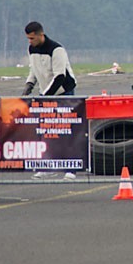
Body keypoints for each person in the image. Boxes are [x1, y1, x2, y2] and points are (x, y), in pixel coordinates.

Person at [22, 21, 78, 180]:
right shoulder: (31, 49)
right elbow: (34, 69)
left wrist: (45, 96)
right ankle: (47, 166)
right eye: (28, 38)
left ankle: (71, 169)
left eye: (32, 38)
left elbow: (60, 76)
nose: (30, 42)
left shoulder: (57, 50)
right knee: (46, 132)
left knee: (66, 131)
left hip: (63, 93)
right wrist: (29, 84)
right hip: (45, 93)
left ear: (41, 35)